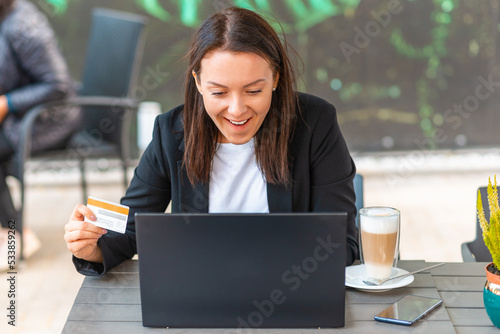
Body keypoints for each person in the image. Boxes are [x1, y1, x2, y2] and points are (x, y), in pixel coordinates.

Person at [65, 6, 358, 276]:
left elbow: (341, 244)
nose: (237, 109)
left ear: (276, 79)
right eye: (219, 93)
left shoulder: (315, 123)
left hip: (290, 290)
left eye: (254, 91)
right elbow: (130, 231)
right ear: (198, 83)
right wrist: (92, 248)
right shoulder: (171, 133)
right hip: (200, 295)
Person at [0, 0, 80, 263]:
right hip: (18, 117)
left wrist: (7, 102)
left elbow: (57, 84)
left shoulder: (24, 27)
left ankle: (15, 234)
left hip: (49, 120)